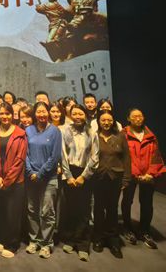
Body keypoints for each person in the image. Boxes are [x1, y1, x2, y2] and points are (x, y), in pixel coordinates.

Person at [121, 108, 165, 249]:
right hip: (130, 174)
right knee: (127, 201)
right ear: (128, 118)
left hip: (147, 176)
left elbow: (156, 156)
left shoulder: (150, 135)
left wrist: (150, 173)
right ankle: (127, 228)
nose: (138, 119)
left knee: (147, 203)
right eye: (134, 116)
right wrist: (136, 174)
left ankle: (144, 231)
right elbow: (123, 156)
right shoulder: (123, 134)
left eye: (140, 116)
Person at [60, 104, 99, 261]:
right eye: (74, 113)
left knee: (84, 209)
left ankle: (83, 244)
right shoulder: (65, 131)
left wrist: (84, 176)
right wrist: (69, 176)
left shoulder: (92, 133)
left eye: (80, 114)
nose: (77, 116)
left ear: (85, 116)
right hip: (69, 173)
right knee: (70, 208)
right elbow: (62, 154)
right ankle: (70, 239)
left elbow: (95, 157)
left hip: (85, 174)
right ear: (70, 115)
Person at [0, 103, 27, 258]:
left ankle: (12, 245)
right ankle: (1, 239)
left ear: (12, 115)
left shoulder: (20, 133)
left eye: (7, 113)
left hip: (15, 181)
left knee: (13, 214)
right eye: (2, 114)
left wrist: (8, 180)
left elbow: (20, 159)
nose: (4, 116)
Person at [25, 101, 62, 259]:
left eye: (44, 111)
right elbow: (25, 154)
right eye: (38, 112)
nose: (41, 114)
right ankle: (34, 240)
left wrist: (39, 174)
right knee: (32, 210)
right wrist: (30, 172)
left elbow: (55, 157)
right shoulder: (28, 130)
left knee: (47, 212)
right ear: (34, 114)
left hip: (48, 178)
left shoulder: (55, 131)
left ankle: (46, 243)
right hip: (31, 177)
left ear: (48, 113)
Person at [92, 109, 131, 258]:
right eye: (103, 120)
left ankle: (113, 240)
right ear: (98, 121)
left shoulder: (120, 137)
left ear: (113, 122)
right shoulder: (94, 136)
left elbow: (126, 158)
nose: (106, 122)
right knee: (98, 209)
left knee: (112, 209)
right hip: (98, 178)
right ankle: (98, 238)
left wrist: (126, 178)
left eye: (109, 120)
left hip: (115, 178)